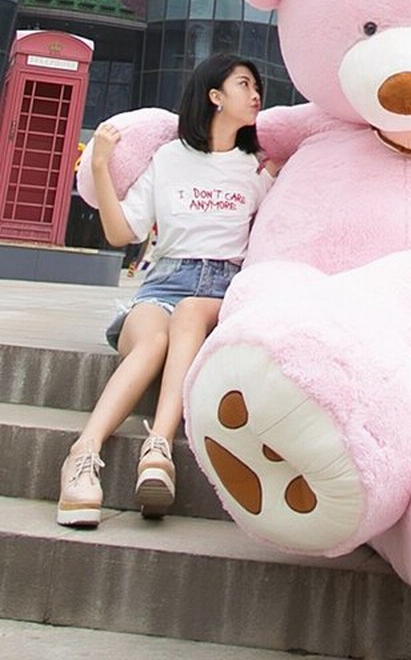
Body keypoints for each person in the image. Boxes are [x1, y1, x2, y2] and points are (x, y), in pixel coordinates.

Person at [57, 53, 275, 527]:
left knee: (191, 313)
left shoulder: (256, 169)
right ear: (214, 96)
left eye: (257, 86)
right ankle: (83, 453)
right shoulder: (169, 159)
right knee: (153, 339)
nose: (256, 94)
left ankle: (158, 448)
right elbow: (122, 233)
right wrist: (99, 167)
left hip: (221, 288)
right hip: (163, 282)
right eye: (244, 84)